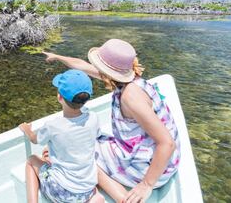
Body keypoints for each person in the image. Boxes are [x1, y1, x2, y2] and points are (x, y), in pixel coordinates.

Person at [42, 39, 181, 203]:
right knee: (84, 144)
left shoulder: (130, 96)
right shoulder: (130, 81)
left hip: (155, 167)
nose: (94, 68)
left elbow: (167, 143)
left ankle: (124, 199)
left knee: (84, 157)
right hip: (158, 156)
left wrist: (146, 184)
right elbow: (81, 65)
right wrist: (56, 56)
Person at [19, 69, 104, 203]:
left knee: (31, 160)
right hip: (86, 191)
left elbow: (35, 139)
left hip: (60, 192)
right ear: (86, 99)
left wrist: (27, 130)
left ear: (59, 97)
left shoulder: (53, 126)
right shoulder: (93, 118)